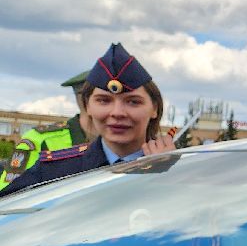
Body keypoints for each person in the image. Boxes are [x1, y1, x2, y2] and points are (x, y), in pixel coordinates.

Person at [5, 43, 175, 194]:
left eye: (133, 102)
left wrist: (168, 173)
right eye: (103, 100)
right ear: (87, 107)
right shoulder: (52, 172)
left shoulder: (181, 171)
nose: (117, 113)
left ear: (155, 108)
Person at [0, 71, 95, 192]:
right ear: (85, 99)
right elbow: (8, 196)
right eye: (104, 99)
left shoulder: (122, 143)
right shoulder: (40, 140)